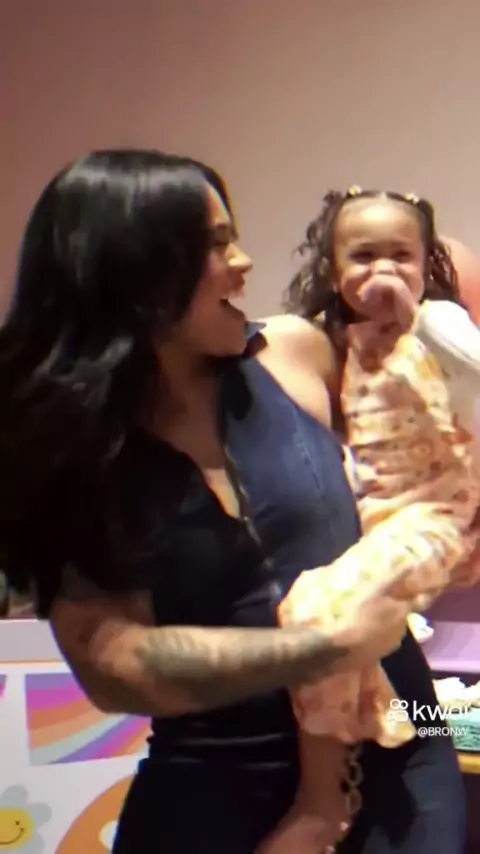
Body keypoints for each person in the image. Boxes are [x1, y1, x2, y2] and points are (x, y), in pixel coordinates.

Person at [0, 153, 456, 854]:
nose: (243, 263)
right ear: (137, 272)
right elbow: (113, 663)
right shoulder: (75, 447)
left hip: (412, 732)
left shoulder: (295, 354)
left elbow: (428, 410)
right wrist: (316, 648)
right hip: (219, 776)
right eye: (215, 245)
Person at [261, 187, 480, 853]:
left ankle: (325, 793)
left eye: (402, 257)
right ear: (334, 273)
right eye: (363, 256)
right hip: (402, 671)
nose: (384, 272)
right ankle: (338, 773)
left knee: (323, 613)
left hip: (434, 673)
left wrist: (424, 323)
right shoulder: (336, 353)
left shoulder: (436, 327)